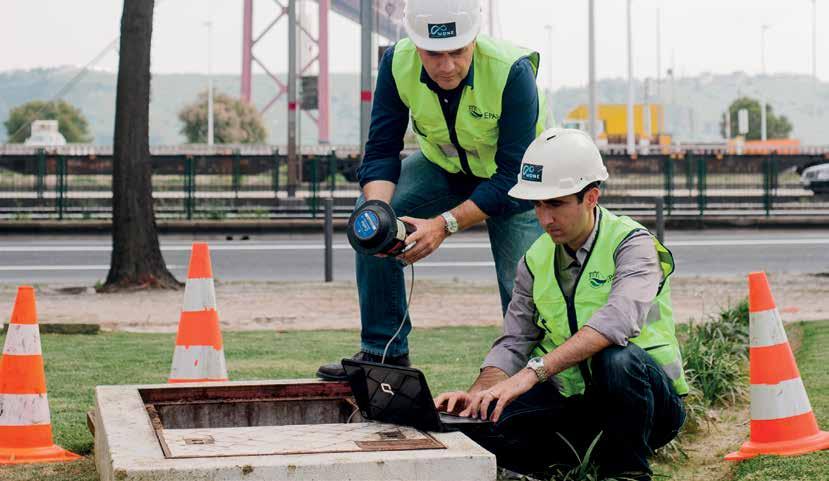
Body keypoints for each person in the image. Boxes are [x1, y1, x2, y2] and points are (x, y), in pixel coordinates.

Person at [434, 128, 688, 480]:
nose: (544, 218)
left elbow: (616, 322)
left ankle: (626, 472)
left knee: (616, 357)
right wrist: (479, 397)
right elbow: (514, 341)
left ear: (591, 197)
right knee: (481, 423)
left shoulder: (632, 244)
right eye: (537, 204)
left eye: (555, 203)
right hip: (576, 408)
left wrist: (532, 373)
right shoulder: (534, 260)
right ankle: (559, 463)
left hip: (650, 408)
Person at [317, 0, 547, 380]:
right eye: (433, 53)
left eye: (457, 52)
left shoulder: (513, 71)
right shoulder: (397, 62)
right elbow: (381, 149)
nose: (446, 66)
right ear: (414, 41)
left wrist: (444, 224)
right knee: (370, 219)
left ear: (474, 37)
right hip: (447, 168)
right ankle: (384, 353)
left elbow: (510, 178)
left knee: (521, 284)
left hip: (519, 182)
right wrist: (379, 219)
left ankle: (532, 377)